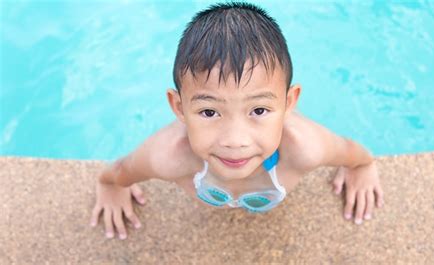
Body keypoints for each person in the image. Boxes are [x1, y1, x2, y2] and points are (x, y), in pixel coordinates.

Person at [90, 2, 384, 240]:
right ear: (179, 108)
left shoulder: (306, 147)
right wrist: (111, 186)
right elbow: (120, 170)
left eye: (258, 111)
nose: (234, 140)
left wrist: (362, 166)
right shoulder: (167, 156)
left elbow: (351, 152)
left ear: (288, 103)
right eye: (209, 112)